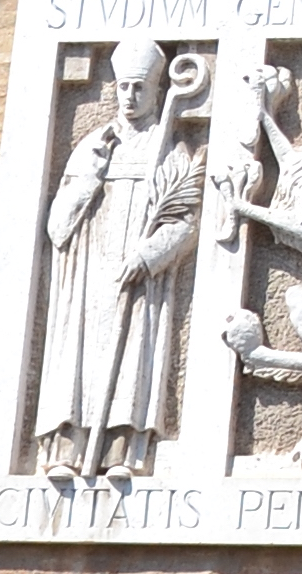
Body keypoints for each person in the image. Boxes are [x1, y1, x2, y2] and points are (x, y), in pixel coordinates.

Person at [31, 36, 204, 478]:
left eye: (139, 88)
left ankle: (121, 454)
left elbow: (186, 224)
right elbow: (56, 228)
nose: (130, 97)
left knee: (133, 360)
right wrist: (89, 177)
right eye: (123, 87)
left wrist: (148, 256)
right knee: (77, 359)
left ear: (156, 92)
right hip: (87, 279)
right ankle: (67, 451)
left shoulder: (167, 150)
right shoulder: (92, 146)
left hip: (138, 280)